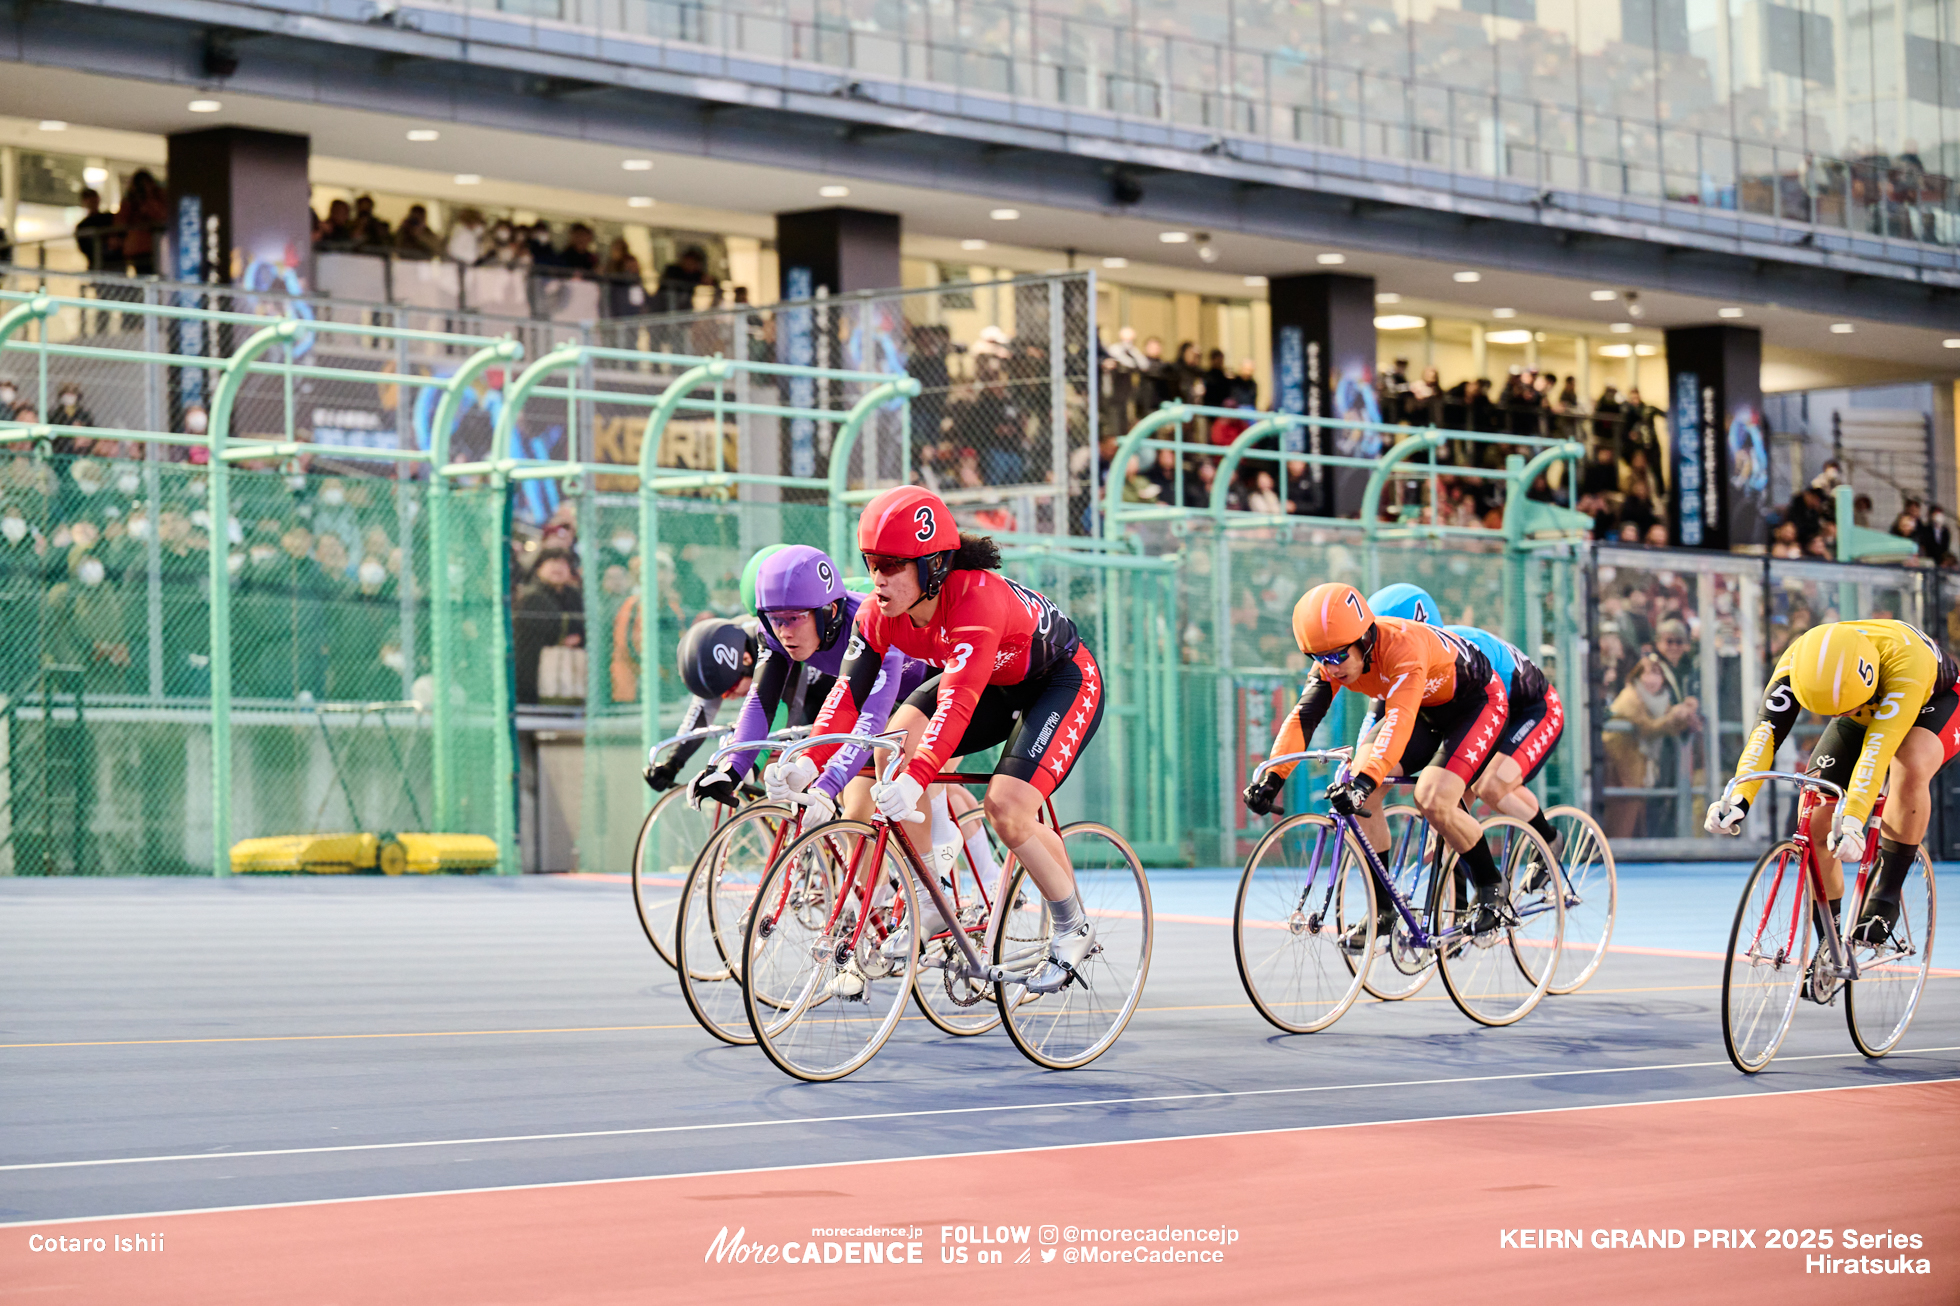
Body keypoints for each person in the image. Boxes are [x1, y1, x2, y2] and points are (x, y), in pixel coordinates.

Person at [800, 485, 1106, 995]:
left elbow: (956, 705)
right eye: (872, 561)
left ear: (934, 568)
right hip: (991, 680)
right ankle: (929, 895)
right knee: (890, 745)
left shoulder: (976, 599)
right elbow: (847, 695)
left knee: (1006, 809)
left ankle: (1073, 925)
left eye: (894, 564)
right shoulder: (876, 615)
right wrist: (811, 766)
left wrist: (918, 778)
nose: (878, 577)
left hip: (1060, 680)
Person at [1242, 583, 1516, 939]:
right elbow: (1302, 718)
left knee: (1433, 798)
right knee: (1362, 794)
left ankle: (1491, 885)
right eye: (1319, 658)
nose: (1330, 667)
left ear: (1365, 640)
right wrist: (1272, 777)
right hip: (1425, 710)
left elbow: (1399, 720)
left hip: (1477, 704)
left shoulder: (1403, 647)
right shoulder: (1332, 661)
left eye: (1338, 656)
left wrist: (1365, 781)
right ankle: (1384, 909)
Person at [1706, 621, 1960, 951]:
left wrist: (1853, 821)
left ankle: (1886, 894)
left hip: (1936, 701)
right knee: (1813, 813)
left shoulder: (1905, 664)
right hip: (1862, 708)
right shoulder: (1797, 659)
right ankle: (1831, 936)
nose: (1841, 713)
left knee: (1907, 764)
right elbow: (1764, 735)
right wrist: (1737, 798)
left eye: (1845, 707)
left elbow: (1876, 752)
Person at [1367, 585, 1566, 871]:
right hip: (1481, 711)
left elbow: (1485, 711)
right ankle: (1459, 906)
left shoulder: (1464, 651)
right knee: (1445, 816)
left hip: (1532, 709)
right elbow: (1375, 722)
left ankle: (1549, 841)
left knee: (1491, 784)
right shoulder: (1397, 662)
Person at [512, 547, 584, 704]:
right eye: (551, 562)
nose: (557, 567)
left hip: (568, 673)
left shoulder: (574, 597)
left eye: (563, 563)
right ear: (539, 568)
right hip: (532, 673)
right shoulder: (532, 597)